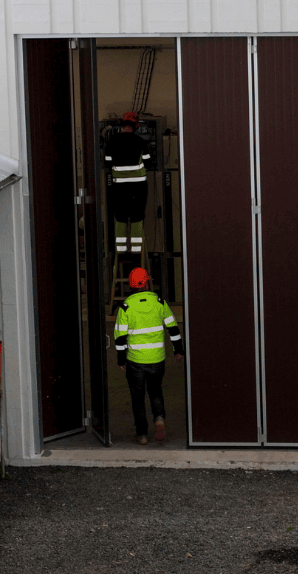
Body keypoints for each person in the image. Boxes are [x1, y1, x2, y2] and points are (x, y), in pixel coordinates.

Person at [115, 267, 184, 445]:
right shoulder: (159, 302)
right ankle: (159, 419)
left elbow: (120, 337)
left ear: (131, 285)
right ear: (146, 282)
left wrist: (121, 359)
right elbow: (173, 328)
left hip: (135, 360)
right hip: (157, 359)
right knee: (155, 391)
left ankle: (142, 435)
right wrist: (178, 350)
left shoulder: (125, 307)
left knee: (137, 398)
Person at [104, 111, 150, 268]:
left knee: (121, 216)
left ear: (122, 126)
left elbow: (107, 161)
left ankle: (121, 252)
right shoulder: (140, 141)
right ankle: (137, 254)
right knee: (137, 216)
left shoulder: (112, 141)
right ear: (135, 126)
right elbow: (149, 160)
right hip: (138, 185)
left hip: (119, 186)